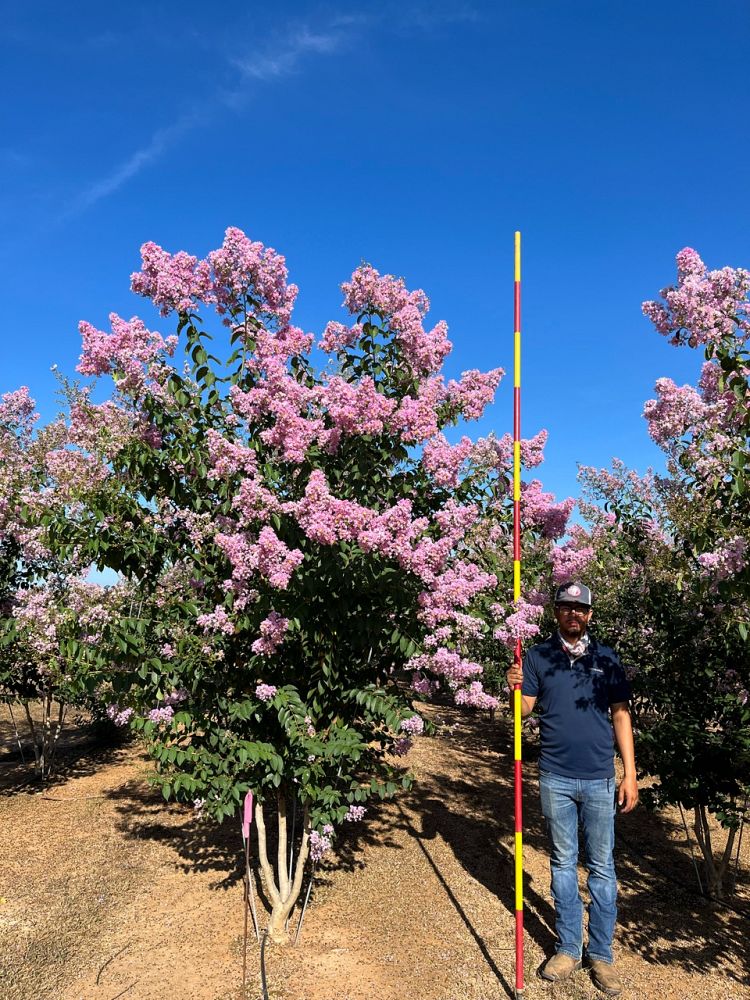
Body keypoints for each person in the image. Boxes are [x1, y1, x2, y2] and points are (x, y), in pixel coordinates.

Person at [506, 581, 638, 997]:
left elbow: (621, 716)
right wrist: (512, 685)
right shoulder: (539, 656)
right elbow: (524, 709)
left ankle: (600, 953)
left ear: (590, 616)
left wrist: (629, 773)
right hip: (556, 777)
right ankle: (567, 947)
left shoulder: (607, 658)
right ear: (556, 613)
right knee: (563, 864)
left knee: (601, 867)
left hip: (600, 778)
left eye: (580, 610)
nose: (573, 615)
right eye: (566, 608)